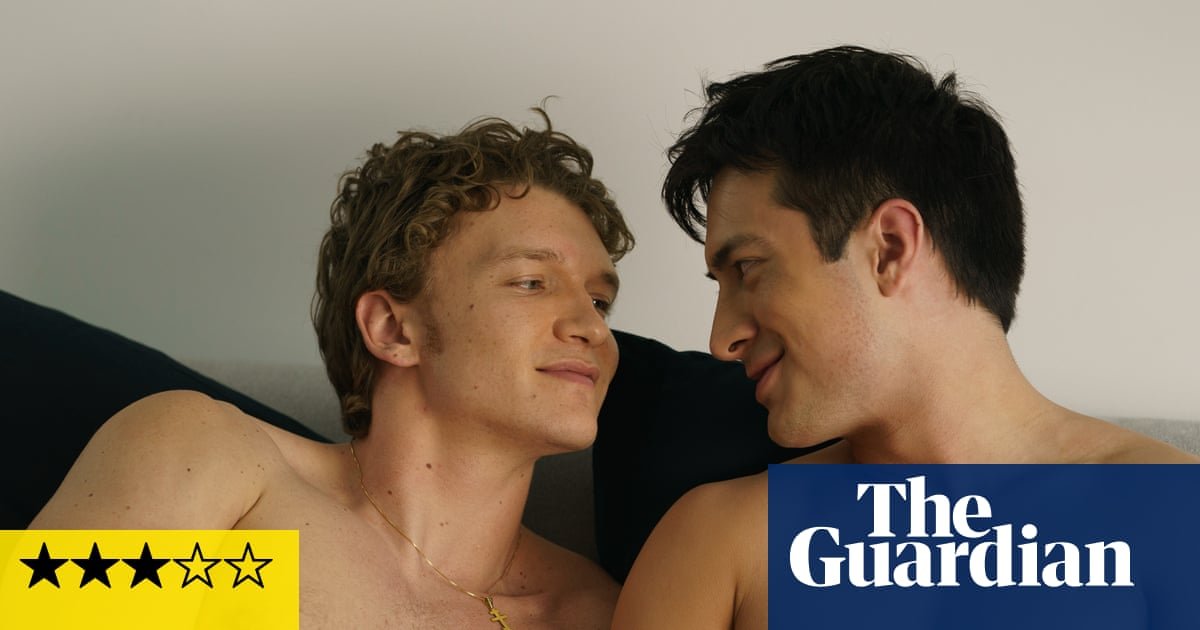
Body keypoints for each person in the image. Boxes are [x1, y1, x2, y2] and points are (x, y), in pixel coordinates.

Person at [611, 46, 1198, 630]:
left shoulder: (1173, 511)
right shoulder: (717, 541)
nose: (721, 340)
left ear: (889, 248)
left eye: (748, 269)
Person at [32, 111, 634, 629]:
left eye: (598, 300)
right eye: (531, 282)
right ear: (393, 330)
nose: (592, 327)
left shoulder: (590, 613)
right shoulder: (226, 467)